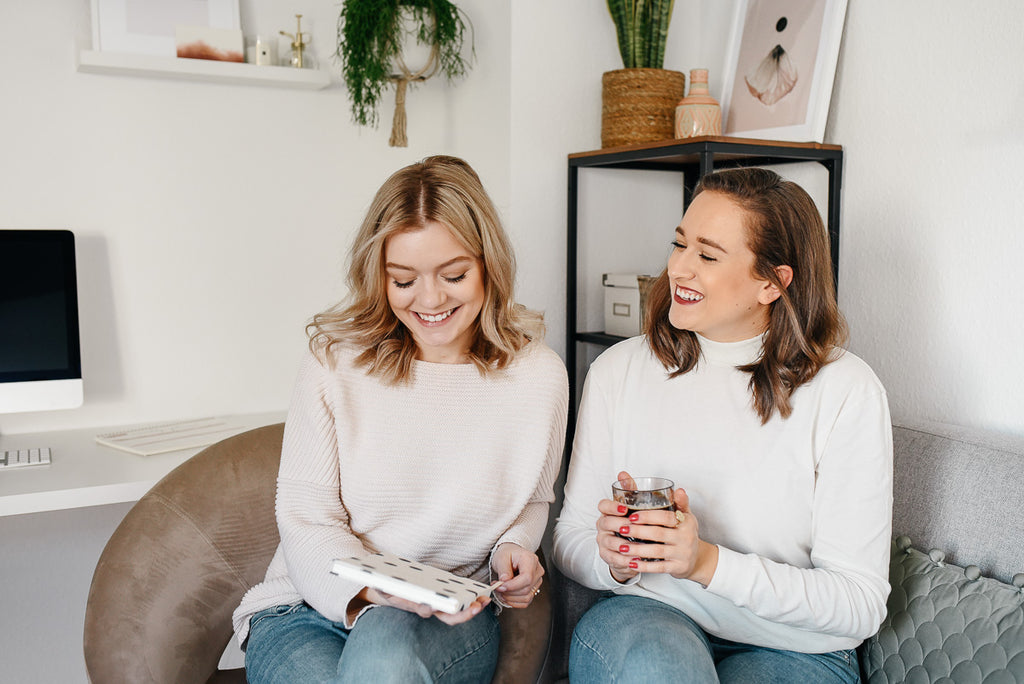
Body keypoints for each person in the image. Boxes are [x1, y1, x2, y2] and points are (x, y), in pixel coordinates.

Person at [234, 155, 569, 683]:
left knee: (385, 653)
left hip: (447, 616)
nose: (430, 299)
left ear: (489, 266)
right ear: (379, 277)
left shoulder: (538, 376)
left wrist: (514, 547)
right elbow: (305, 515)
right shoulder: (334, 363)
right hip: (304, 608)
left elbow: (530, 500)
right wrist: (370, 591)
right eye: (404, 280)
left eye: (454, 274)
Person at [553, 168, 892, 683]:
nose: (678, 269)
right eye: (679, 244)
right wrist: (618, 557)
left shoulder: (846, 391)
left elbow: (858, 602)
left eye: (707, 256)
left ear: (772, 283)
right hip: (650, 620)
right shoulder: (618, 371)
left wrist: (706, 563)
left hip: (796, 650)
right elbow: (569, 539)